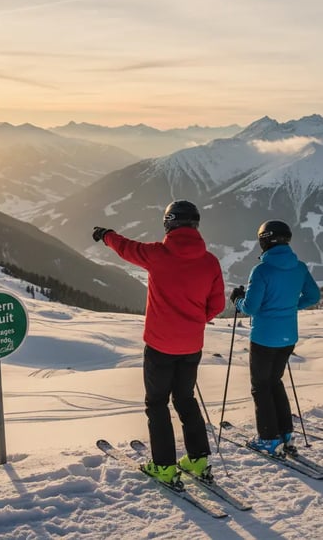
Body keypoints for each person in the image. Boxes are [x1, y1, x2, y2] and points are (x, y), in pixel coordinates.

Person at [92, 200, 225, 485]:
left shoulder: (157, 254)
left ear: (169, 223)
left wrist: (106, 235)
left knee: (157, 404)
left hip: (160, 346)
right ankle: (199, 460)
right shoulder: (210, 261)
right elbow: (217, 304)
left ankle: (164, 466)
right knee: (186, 400)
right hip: (191, 347)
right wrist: (194, 320)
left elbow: (126, 248)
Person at [230, 220, 321, 456]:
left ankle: (269, 438)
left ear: (264, 240)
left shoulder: (261, 270)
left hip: (264, 338)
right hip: (287, 337)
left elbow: (251, 307)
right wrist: (289, 306)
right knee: (275, 382)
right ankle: (286, 432)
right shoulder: (299, 267)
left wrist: (237, 300)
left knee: (260, 387)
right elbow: (313, 295)